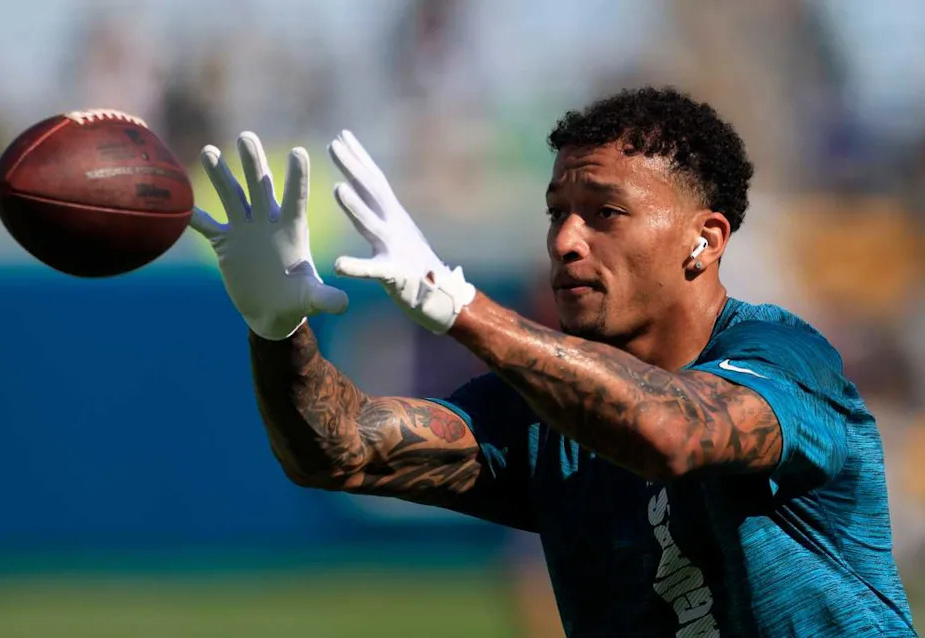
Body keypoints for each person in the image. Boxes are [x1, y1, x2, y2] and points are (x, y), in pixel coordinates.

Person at [189, 87, 916, 637]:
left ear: (704, 240)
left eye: (603, 212)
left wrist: (456, 303)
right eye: (555, 212)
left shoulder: (786, 360)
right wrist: (276, 326)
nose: (566, 239)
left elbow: (673, 433)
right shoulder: (538, 413)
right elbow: (339, 449)